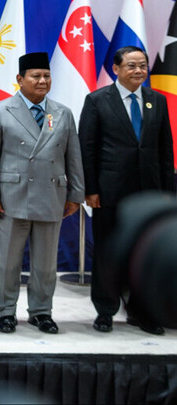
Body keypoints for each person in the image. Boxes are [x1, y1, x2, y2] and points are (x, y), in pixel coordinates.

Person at [0, 52, 83, 334]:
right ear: (20, 79)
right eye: (35, 76)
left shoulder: (62, 112)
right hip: (11, 198)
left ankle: (41, 311)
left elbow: (73, 156)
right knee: (6, 261)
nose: (42, 81)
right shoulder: (0, 110)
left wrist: (76, 194)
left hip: (51, 195)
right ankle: (4, 311)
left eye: (46, 76)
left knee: (46, 264)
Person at [78, 45, 174, 335]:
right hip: (109, 191)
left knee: (145, 252)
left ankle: (141, 312)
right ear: (116, 69)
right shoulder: (97, 100)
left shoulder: (156, 100)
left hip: (149, 194)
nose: (138, 71)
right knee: (106, 251)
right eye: (131, 65)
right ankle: (105, 311)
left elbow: (165, 149)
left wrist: (168, 194)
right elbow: (87, 148)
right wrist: (90, 189)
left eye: (142, 65)